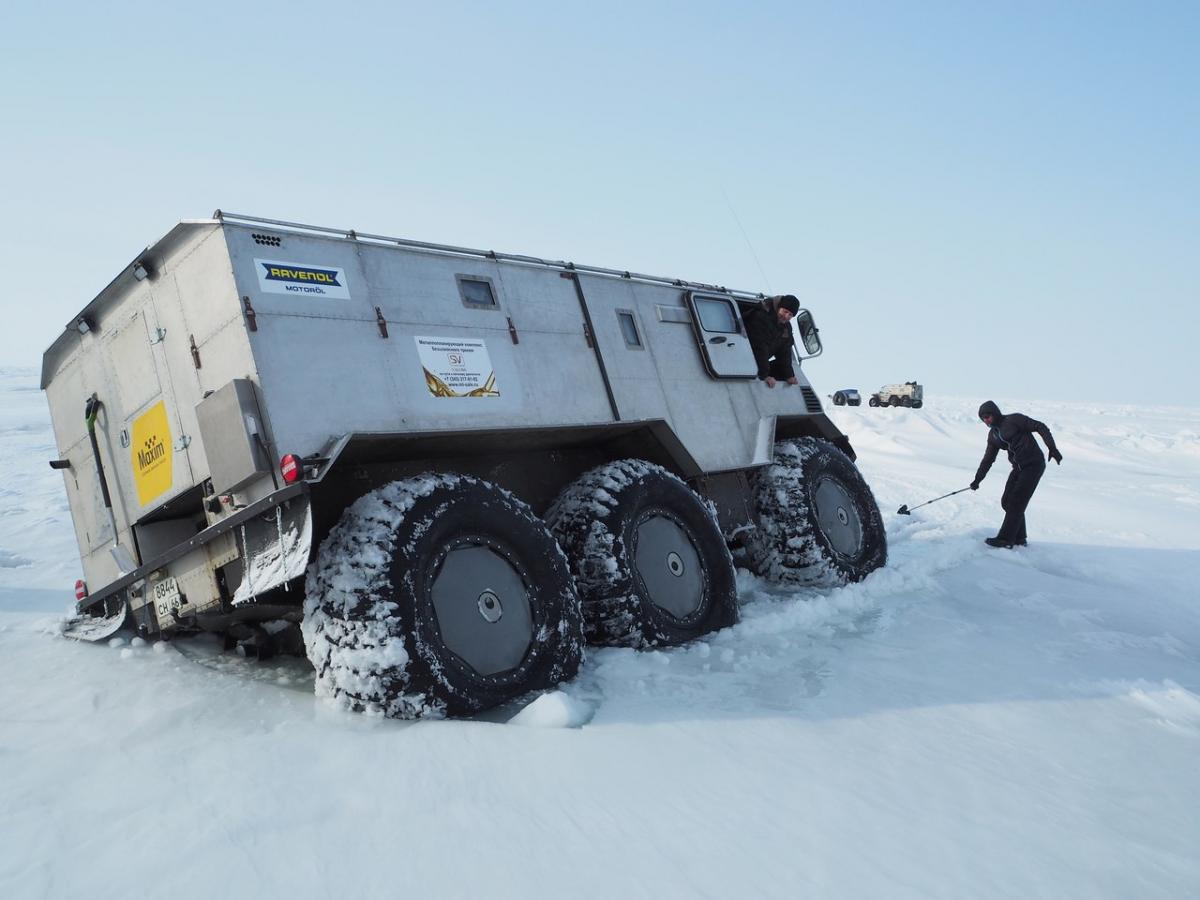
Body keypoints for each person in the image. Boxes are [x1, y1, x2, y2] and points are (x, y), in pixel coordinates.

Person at [970, 400, 1063, 548]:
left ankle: (1005, 539)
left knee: (1016, 503)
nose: (986, 420)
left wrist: (1052, 448)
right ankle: (1019, 537)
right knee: (1007, 502)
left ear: (994, 413)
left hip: (1033, 465)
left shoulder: (1014, 420)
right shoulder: (993, 435)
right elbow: (988, 459)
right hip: (1018, 468)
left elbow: (1040, 426)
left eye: (987, 416)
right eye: (982, 418)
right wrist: (977, 480)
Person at [743, 294, 800, 387]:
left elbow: (785, 352)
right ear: (778, 308)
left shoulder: (786, 328)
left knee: (782, 368)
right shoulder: (760, 317)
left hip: (760, 361)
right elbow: (759, 347)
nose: (786, 316)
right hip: (745, 359)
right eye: (785, 311)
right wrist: (764, 376)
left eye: (790, 315)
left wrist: (789, 375)